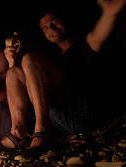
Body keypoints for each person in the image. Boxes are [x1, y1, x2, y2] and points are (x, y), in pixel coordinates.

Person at [37, 0, 126, 136]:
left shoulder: (86, 45)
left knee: (28, 60)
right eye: (46, 28)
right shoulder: (52, 61)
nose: (52, 28)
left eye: (54, 21)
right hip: (61, 120)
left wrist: (109, 13)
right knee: (16, 70)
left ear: (64, 20)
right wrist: (12, 63)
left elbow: (99, 34)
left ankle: (40, 131)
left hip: (86, 115)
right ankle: (20, 130)